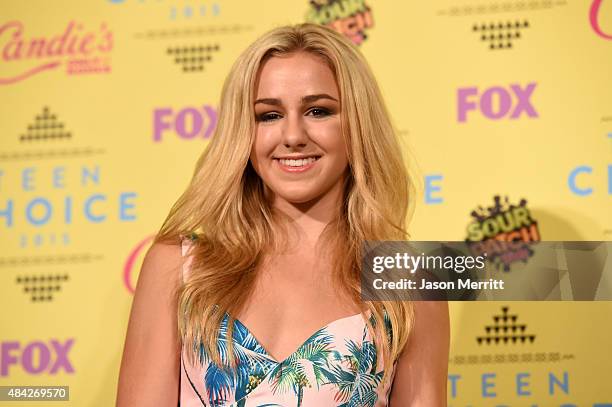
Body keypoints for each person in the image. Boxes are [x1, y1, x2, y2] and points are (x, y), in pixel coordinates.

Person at [116, 23, 449, 407]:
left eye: (318, 111)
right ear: (244, 131)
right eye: (269, 115)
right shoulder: (180, 267)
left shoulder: (409, 285)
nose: (293, 135)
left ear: (357, 125)